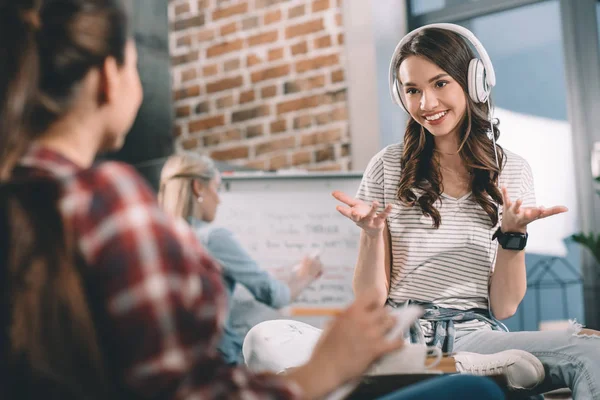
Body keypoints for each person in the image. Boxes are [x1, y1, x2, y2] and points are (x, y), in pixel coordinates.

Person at [0, 2, 505, 399]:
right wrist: (325, 368)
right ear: (110, 77)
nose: (426, 102)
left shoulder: (25, 198)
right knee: (474, 390)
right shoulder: (108, 203)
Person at [330, 23, 600, 399]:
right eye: (413, 90)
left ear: (473, 83)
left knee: (593, 352)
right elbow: (370, 300)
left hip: (476, 336)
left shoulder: (513, 171)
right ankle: (450, 366)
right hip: (398, 332)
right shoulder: (388, 166)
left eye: (440, 84)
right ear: (400, 94)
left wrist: (513, 235)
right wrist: (372, 233)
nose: (426, 104)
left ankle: (458, 364)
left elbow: (504, 307)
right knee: (268, 338)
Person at [158, 152, 323, 365]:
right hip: (217, 361)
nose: (219, 199)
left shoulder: (157, 240)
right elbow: (274, 295)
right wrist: (306, 275)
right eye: (216, 188)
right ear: (198, 188)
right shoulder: (213, 238)